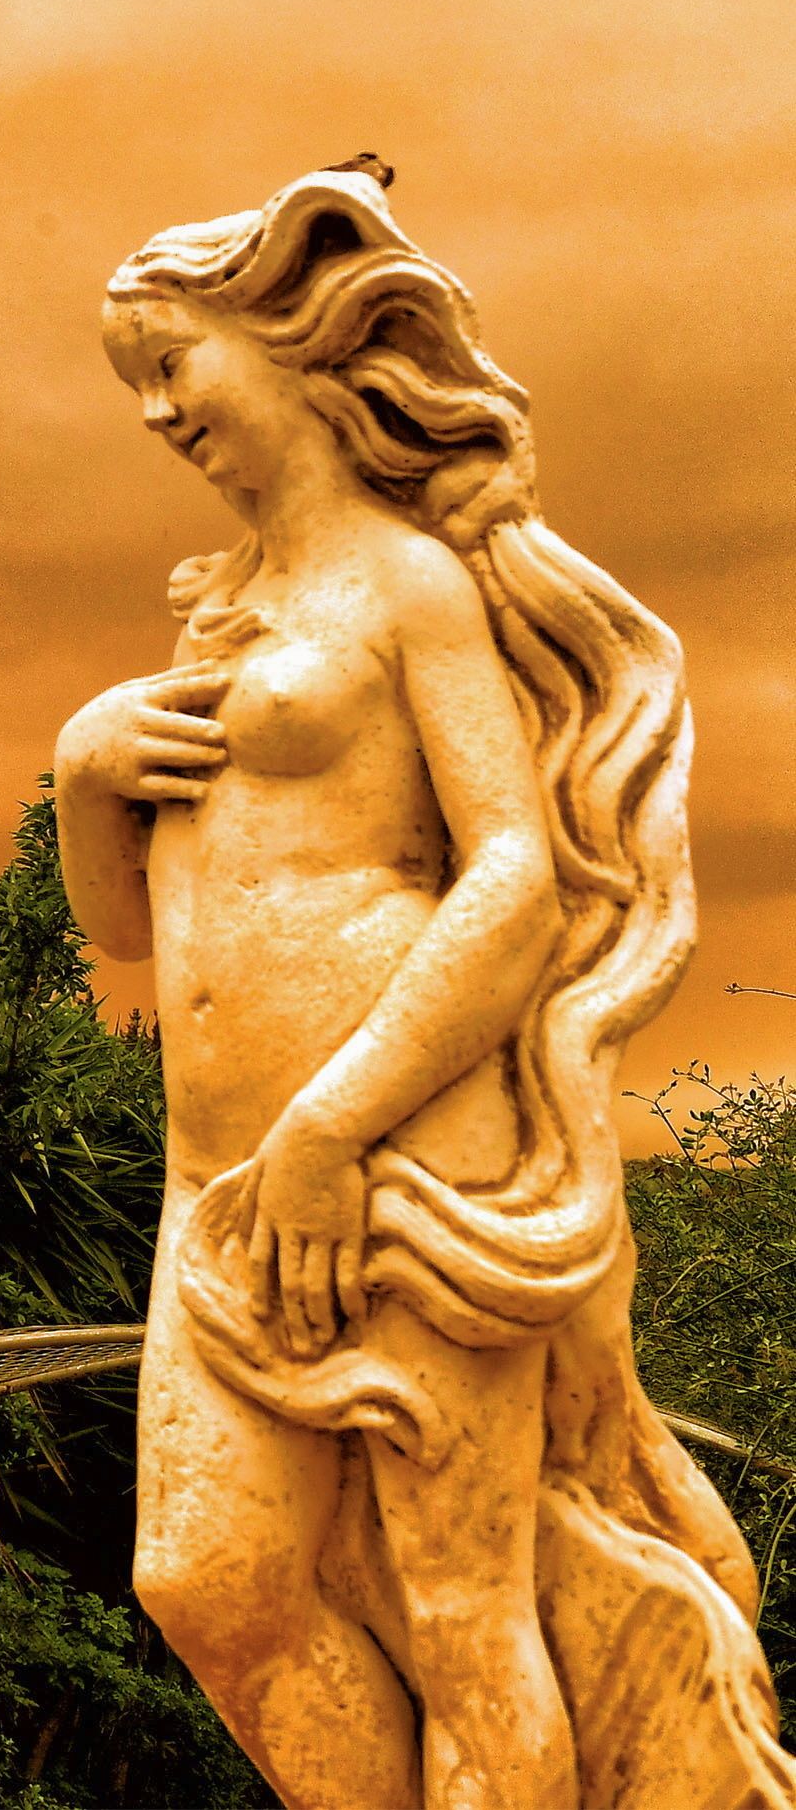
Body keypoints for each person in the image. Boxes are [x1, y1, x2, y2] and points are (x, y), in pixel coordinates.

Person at [53, 165, 792, 1810]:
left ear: (287, 335)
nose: (158, 411)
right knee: (205, 1580)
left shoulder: (413, 585)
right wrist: (82, 772)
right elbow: (125, 930)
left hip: (406, 1159)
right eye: (134, 386)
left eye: (171, 365)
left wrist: (336, 1125)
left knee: (464, 1612)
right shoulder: (214, 617)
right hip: (220, 1184)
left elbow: (514, 880)